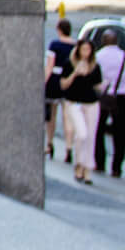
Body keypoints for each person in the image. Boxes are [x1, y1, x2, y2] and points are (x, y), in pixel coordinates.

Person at [94, 26, 125, 179]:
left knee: (99, 130)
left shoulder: (99, 56)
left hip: (103, 95)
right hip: (122, 96)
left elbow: (94, 78)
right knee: (120, 133)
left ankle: (100, 163)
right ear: (118, 42)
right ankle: (116, 167)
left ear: (103, 41)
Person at [59, 37, 102, 183]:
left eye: (89, 50)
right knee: (81, 134)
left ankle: (87, 169)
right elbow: (63, 85)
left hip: (91, 104)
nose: (86, 53)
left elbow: (98, 86)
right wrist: (75, 74)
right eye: (83, 49)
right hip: (74, 103)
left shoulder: (95, 66)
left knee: (90, 136)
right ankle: (79, 163)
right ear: (78, 50)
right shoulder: (69, 63)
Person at [44, 17, 74, 162]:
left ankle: (50, 143)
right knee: (67, 116)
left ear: (59, 30)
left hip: (55, 79)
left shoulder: (55, 44)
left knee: (52, 115)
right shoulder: (75, 45)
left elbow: (50, 65)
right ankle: (69, 147)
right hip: (70, 80)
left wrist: (44, 81)